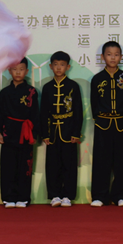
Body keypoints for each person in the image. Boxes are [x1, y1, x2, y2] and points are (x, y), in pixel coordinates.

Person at [90, 41, 123, 207]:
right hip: (103, 124)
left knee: (121, 161)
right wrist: (99, 118)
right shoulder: (97, 79)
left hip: (122, 124)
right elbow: (94, 103)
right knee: (101, 160)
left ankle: (120, 195)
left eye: (116, 54)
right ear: (102, 57)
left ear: (121, 57)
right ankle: (99, 196)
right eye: (109, 54)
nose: (112, 57)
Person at [40, 51, 82, 207]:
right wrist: (45, 133)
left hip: (69, 130)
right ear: (51, 66)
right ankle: (54, 195)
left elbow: (78, 111)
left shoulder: (73, 86)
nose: (59, 68)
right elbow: (43, 112)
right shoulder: (47, 87)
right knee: (52, 164)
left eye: (62, 65)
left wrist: (76, 133)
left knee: (69, 165)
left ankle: (67, 195)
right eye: (56, 65)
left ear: (68, 67)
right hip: (52, 131)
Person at [0, 58, 39, 208]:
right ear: (9, 71)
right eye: (15, 69)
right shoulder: (4, 93)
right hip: (8, 133)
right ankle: (8, 197)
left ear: (26, 71)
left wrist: (35, 133)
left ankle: (23, 197)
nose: (18, 72)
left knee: (24, 167)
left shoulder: (31, 91)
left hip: (26, 133)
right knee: (8, 167)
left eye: (21, 69)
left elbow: (35, 114)